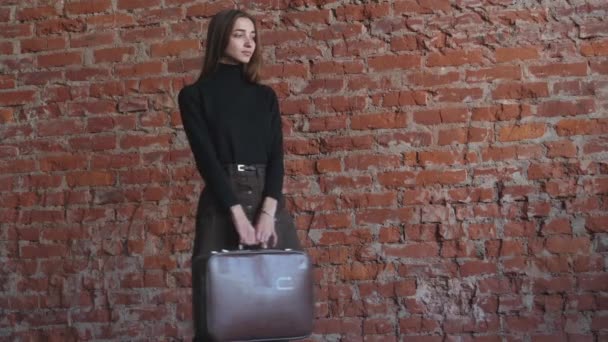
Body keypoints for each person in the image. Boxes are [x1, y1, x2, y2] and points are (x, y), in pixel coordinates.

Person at [177, 8, 302, 341]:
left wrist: (267, 213)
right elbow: (207, 161)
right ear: (220, 39)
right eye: (239, 35)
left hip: (268, 197)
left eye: (253, 35)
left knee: (279, 304)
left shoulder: (265, 97)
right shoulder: (194, 96)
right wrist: (237, 215)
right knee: (218, 311)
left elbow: (277, 158)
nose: (250, 43)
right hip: (222, 199)